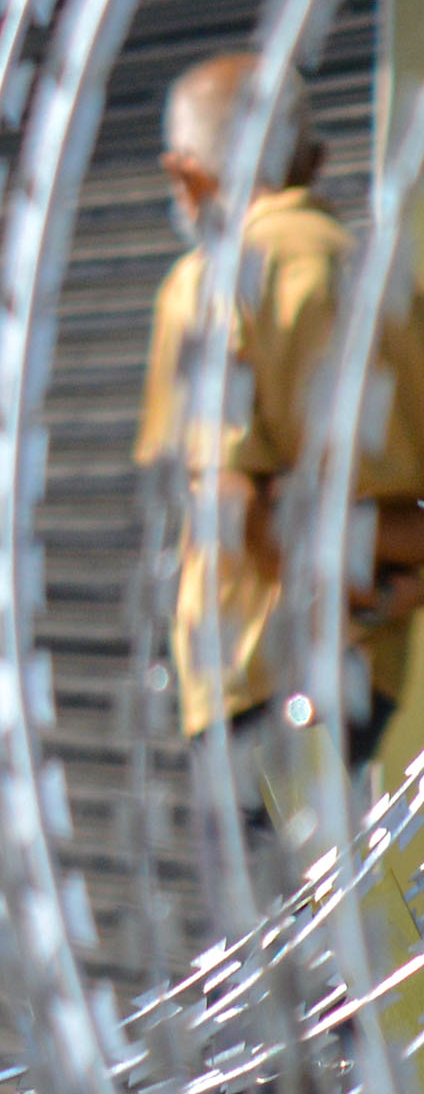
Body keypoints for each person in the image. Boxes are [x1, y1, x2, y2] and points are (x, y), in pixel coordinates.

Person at [141, 50, 424, 823]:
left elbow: (235, 506)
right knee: (346, 906)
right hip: (367, 672)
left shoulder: (206, 286)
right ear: (313, 159)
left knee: (265, 930)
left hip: (255, 677)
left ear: (190, 178)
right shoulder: (383, 278)